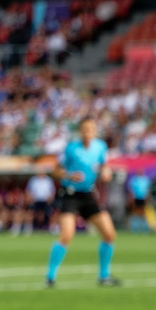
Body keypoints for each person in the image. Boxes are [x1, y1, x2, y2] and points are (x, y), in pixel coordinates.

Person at [45, 117, 120, 287]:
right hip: (70, 195)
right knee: (66, 235)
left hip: (88, 195)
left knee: (109, 234)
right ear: (80, 131)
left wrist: (106, 173)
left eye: (90, 129)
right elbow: (55, 170)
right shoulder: (71, 148)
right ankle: (50, 276)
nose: (87, 132)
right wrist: (69, 176)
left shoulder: (100, 147)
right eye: (84, 129)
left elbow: (103, 165)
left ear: (94, 131)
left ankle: (104, 276)